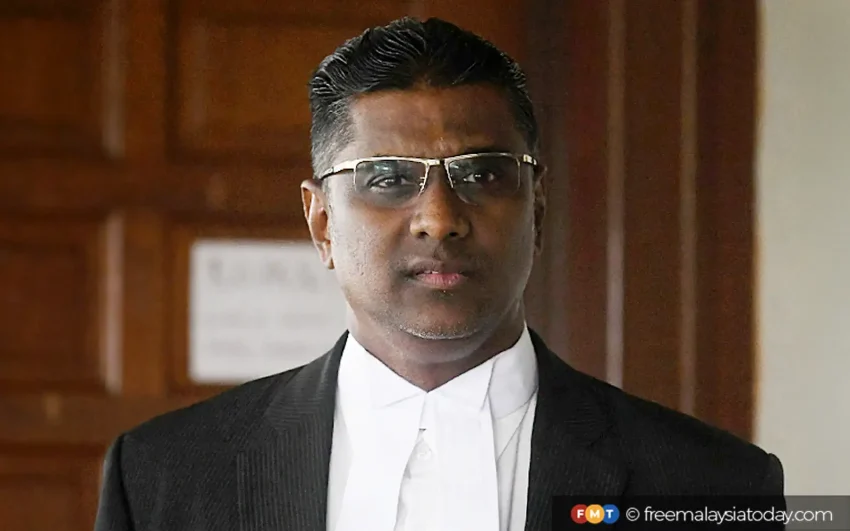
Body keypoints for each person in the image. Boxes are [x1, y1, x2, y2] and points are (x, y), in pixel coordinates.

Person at [94, 17, 784, 531]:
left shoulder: (714, 486)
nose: (439, 218)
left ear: (537, 209)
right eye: (387, 178)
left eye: (482, 174)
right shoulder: (163, 477)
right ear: (322, 222)